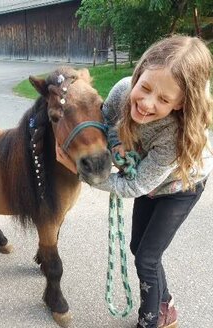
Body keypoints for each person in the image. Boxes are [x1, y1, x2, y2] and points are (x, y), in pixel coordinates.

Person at [56, 35, 213, 328]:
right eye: (145, 88)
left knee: (147, 259)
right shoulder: (122, 91)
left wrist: (84, 174)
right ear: (138, 74)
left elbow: (135, 186)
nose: (147, 103)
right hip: (144, 177)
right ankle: (165, 304)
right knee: (137, 246)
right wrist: (115, 145)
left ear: (181, 104)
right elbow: (108, 123)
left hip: (180, 188)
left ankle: (151, 321)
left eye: (164, 99)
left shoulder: (173, 138)